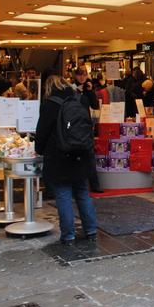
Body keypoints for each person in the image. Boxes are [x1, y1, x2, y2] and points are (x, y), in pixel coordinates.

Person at [35, 74, 98, 245]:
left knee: (63, 194)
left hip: (59, 155)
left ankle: (68, 235)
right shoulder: (80, 99)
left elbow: (42, 132)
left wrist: (38, 150)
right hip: (81, 153)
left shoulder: (49, 105)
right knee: (83, 193)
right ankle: (91, 231)